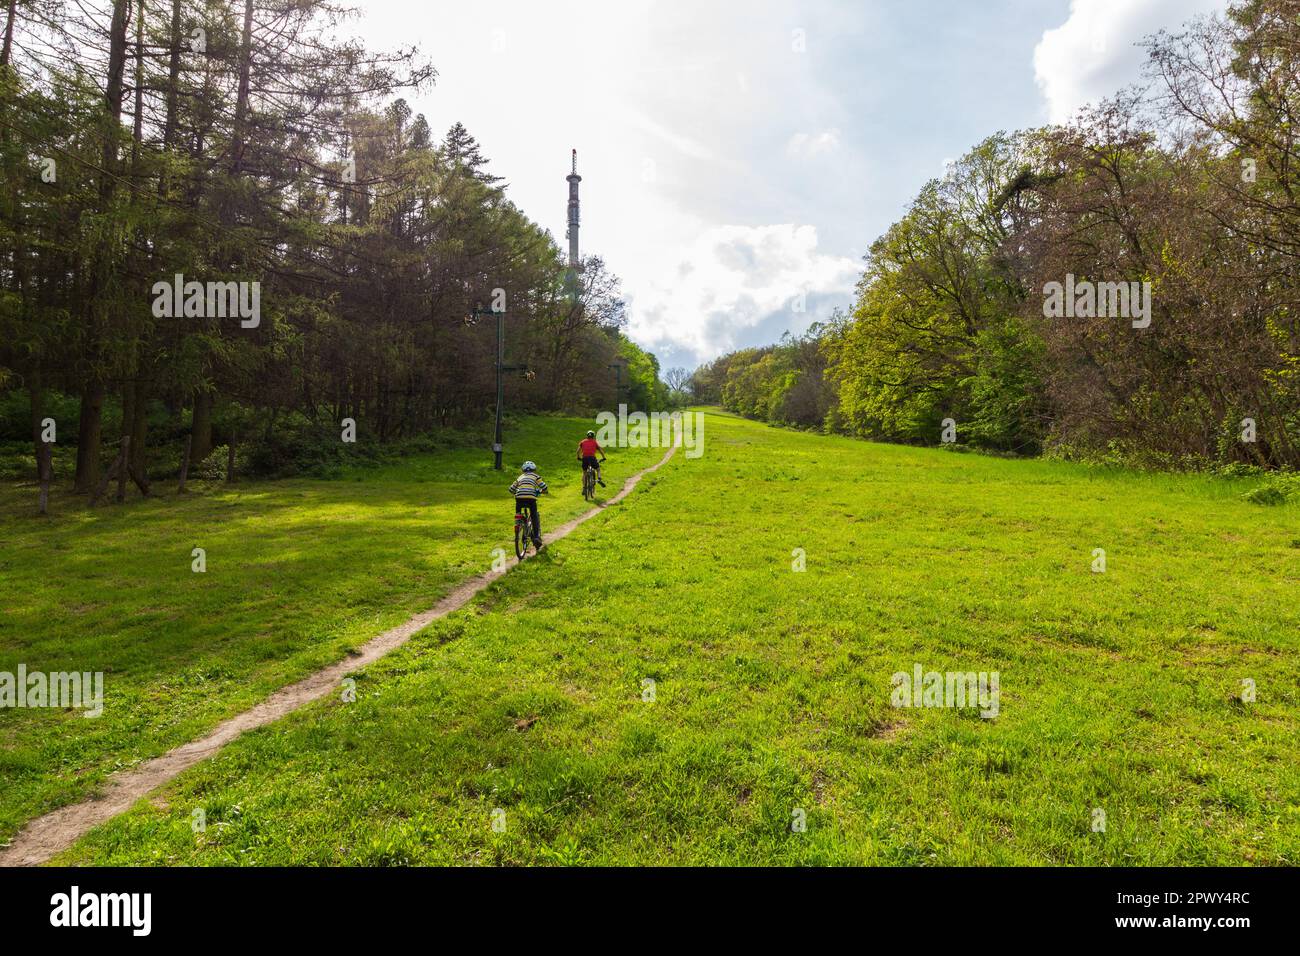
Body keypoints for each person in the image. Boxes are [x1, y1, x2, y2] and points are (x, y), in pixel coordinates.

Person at [509, 461, 548, 548]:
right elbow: (544, 487)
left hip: (519, 498)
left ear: (523, 470)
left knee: (518, 513)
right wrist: (543, 491)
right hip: (531, 499)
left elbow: (511, 489)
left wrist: (517, 492)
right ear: (534, 469)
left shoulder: (520, 477)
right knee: (534, 515)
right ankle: (537, 537)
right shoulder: (536, 476)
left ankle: (518, 524)